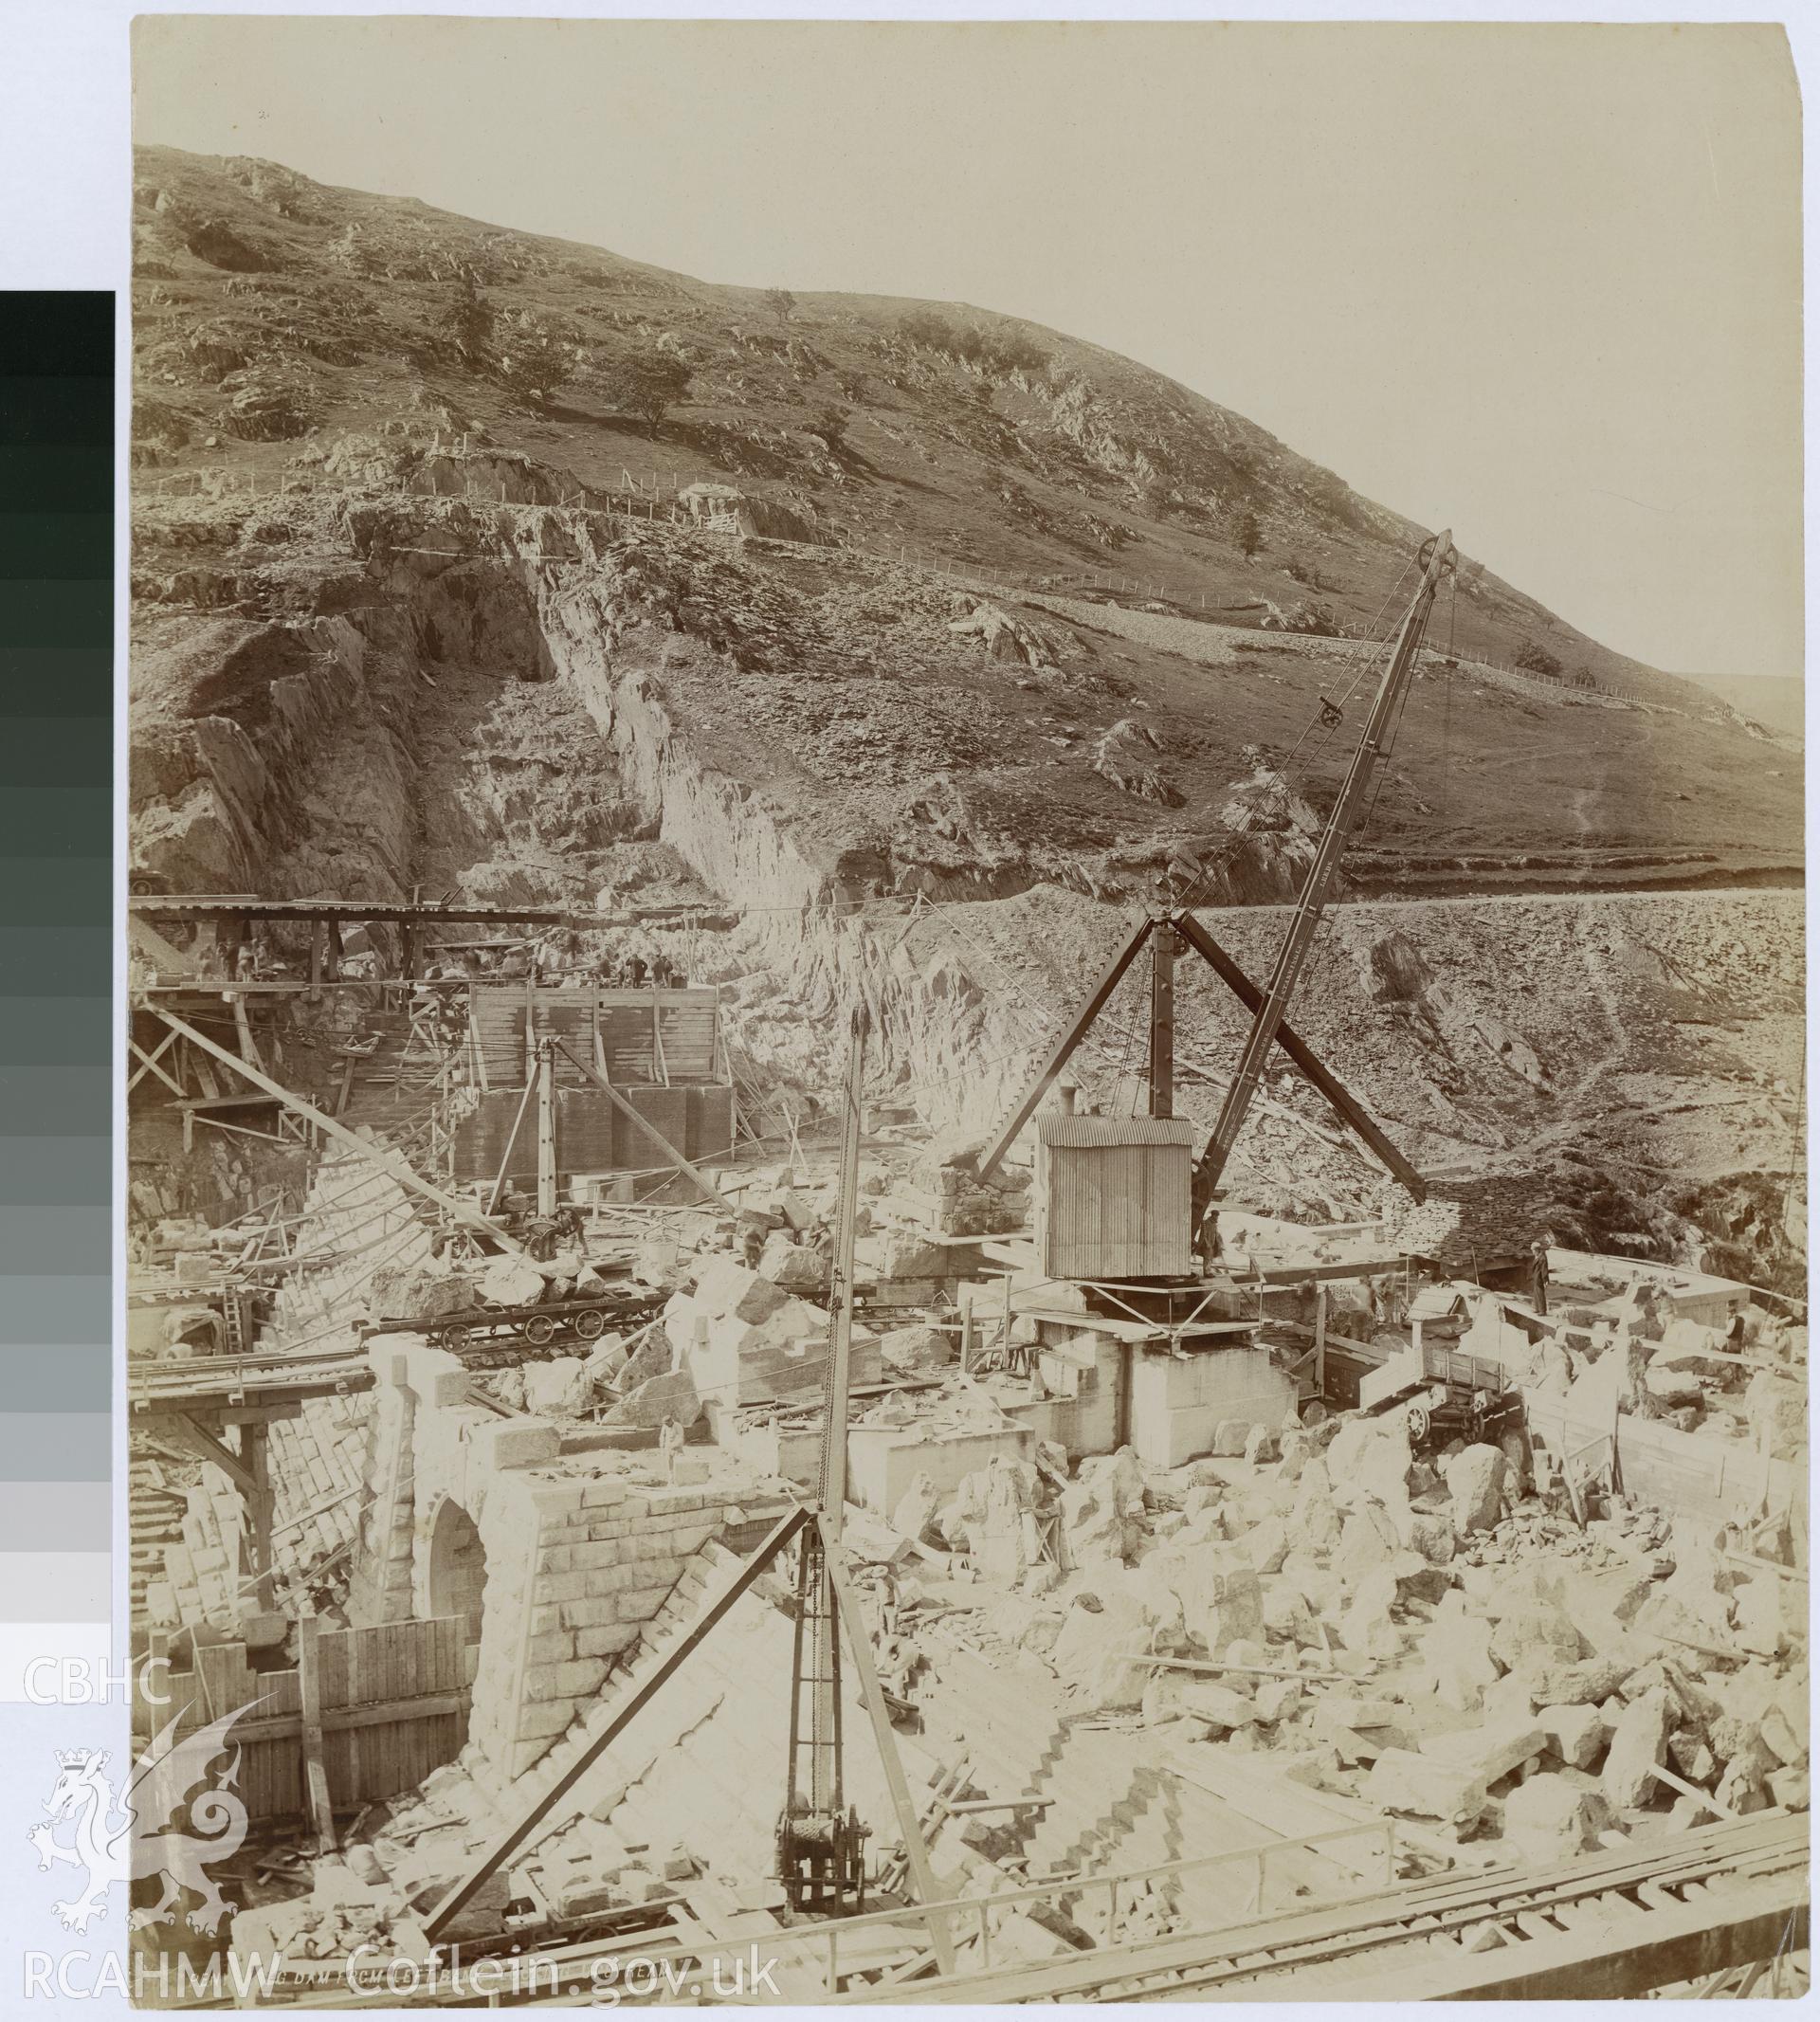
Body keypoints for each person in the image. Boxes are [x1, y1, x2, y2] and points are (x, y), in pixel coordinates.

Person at [658, 1413, 685, 1482]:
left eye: (667, 1423)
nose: (666, 1425)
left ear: (671, 1421)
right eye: (665, 1424)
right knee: (669, 1462)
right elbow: (662, 1436)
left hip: (677, 1448)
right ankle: (671, 1476)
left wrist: (673, 1446)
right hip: (668, 1447)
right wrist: (662, 1446)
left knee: (678, 1462)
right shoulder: (664, 1426)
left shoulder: (678, 1426)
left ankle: (680, 1477)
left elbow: (680, 1438)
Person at [1529, 1239, 1551, 1317]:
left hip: (1540, 1279)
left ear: (1536, 1250)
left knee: (1540, 1294)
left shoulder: (1542, 1258)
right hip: (1536, 1277)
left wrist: (1545, 1280)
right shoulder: (1537, 1256)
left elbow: (1544, 1270)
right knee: (1536, 1294)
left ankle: (1543, 1311)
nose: (1532, 1252)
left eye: (1533, 1250)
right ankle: (1537, 1308)